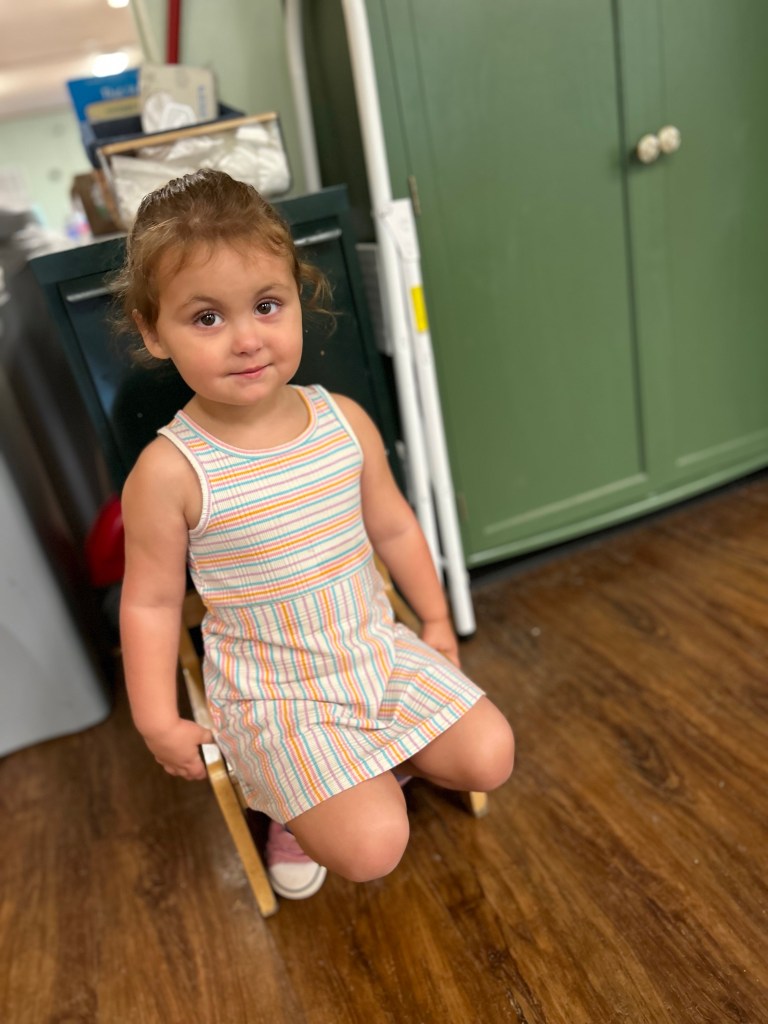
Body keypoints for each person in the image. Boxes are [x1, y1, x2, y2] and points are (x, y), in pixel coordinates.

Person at [116, 168, 515, 900]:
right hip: (278, 695)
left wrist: (433, 619)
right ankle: (296, 813)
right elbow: (149, 603)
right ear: (152, 330)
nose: (247, 339)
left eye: (267, 305)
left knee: (492, 755)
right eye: (207, 318)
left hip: (373, 650)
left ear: (298, 298)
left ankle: (362, 768)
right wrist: (155, 720)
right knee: (372, 847)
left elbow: (394, 527)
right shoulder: (168, 472)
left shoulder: (343, 421)